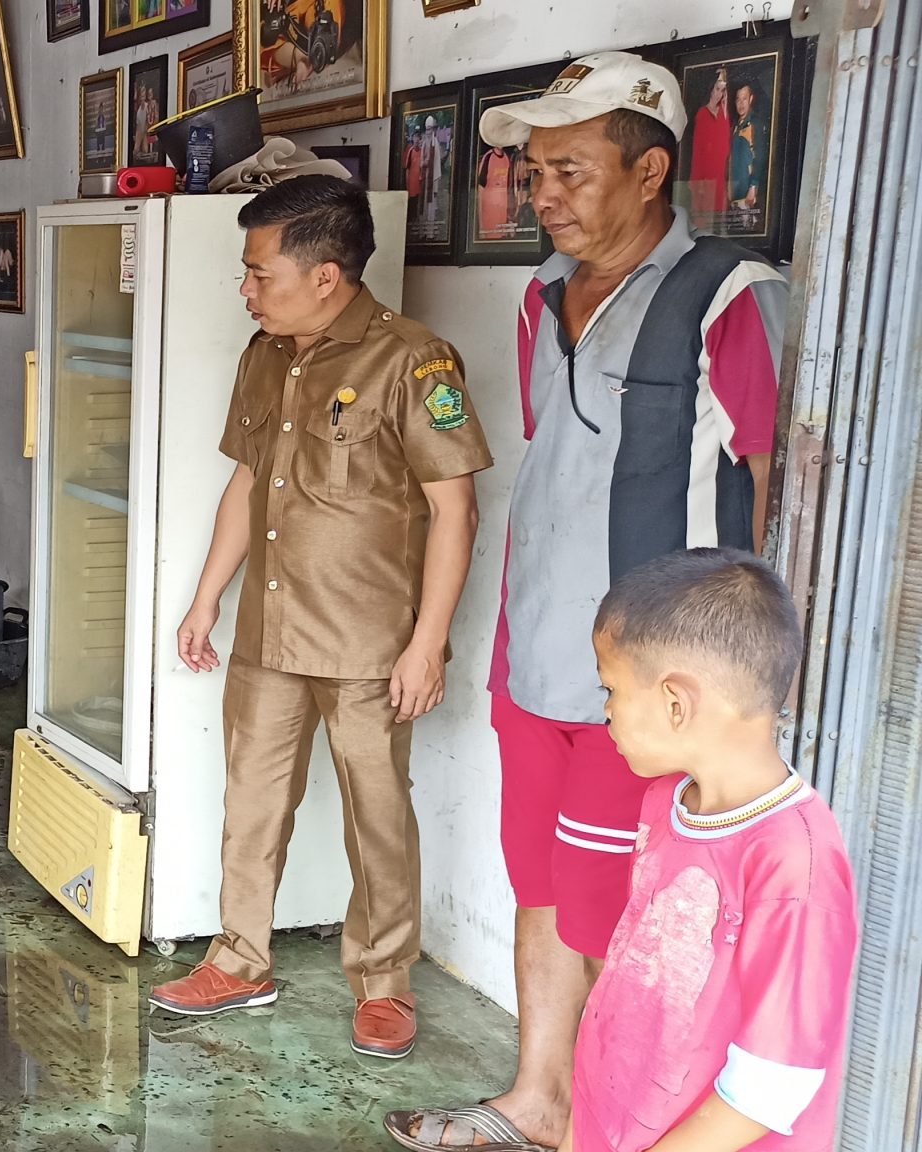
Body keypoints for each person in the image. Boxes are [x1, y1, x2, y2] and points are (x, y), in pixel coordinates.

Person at [387, 51, 787, 1152]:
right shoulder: (537, 298)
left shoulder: (726, 297)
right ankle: (539, 1101)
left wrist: (729, 688)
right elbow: (556, 462)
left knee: (636, 918)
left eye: (567, 169)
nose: (538, 193)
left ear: (649, 170)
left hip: (657, 690)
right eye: (531, 169)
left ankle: (626, 1128)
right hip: (539, 656)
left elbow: (771, 484)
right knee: (545, 892)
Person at [145, 176, 491, 1065]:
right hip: (271, 630)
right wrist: (208, 594)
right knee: (252, 803)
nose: (247, 289)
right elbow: (249, 480)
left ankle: (384, 984)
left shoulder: (414, 361)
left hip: (372, 643)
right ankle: (239, 959)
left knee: (378, 814)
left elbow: (456, 510)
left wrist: (427, 645)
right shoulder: (266, 355)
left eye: (260, 273)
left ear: (327, 275)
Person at [566, 549, 855, 1152]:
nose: (608, 710)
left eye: (611, 687)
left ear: (677, 702)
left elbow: (769, 1090)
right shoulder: (666, 801)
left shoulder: (793, 863)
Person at [688, 68, 732, 223]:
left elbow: (726, 147)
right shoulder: (702, 114)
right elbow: (698, 151)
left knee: (719, 222)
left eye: (723, 90)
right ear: (711, 89)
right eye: (717, 89)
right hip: (705, 177)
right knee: (702, 222)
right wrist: (698, 182)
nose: (719, 93)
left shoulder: (724, 114)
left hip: (719, 176)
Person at [728, 81, 765, 221]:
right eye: (738, 99)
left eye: (744, 98)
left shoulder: (755, 123)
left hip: (747, 193)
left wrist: (753, 187)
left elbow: (760, 157)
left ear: (750, 99)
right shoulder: (735, 126)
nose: (741, 103)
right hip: (735, 192)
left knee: (747, 228)